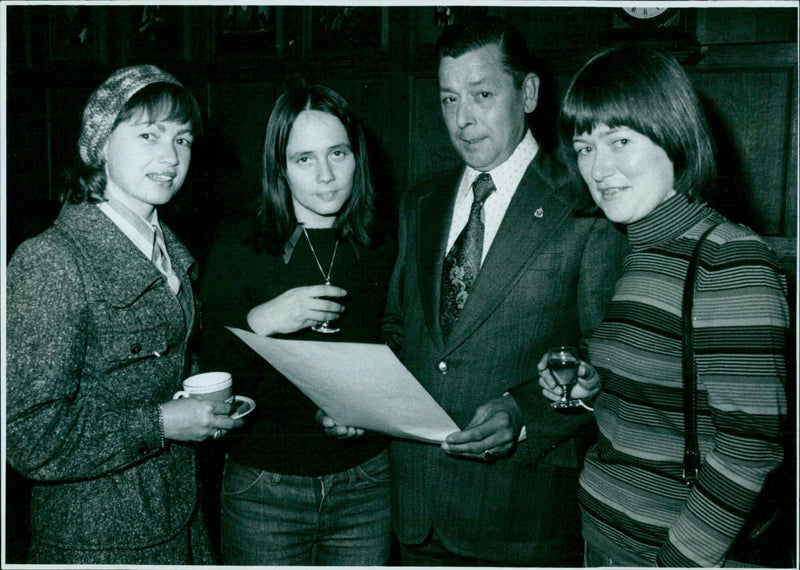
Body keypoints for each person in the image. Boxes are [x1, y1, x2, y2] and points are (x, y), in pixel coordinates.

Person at [382, 19, 627, 566]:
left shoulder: (586, 206)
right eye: (449, 99)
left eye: (483, 94)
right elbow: (399, 328)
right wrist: (360, 396)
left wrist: (524, 411)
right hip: (415, 511)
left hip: (522, 520)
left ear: (530, 93)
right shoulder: (420, 202)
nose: (463, 119)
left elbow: (608, 362)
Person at [537, 45, 790, 567]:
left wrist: (675, 562)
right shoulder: (643, 252)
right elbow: (664, 405)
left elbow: (751, 446)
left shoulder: (729, 259)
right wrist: (593, 386)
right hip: (605, 541)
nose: (597, 167)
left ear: (674, 136)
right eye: (585, 147)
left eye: (619, 140)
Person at [5, 64, 244, 565]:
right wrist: (161, 422)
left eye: (182, 140)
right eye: (147, 135)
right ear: (100, 147)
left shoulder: (171, 252)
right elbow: (25, 437)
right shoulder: (51, 259)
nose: (170, 156)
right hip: (97, 541)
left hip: (179, 521)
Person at [198, 84, 394, 566]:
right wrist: (259, 321)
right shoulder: (239, 245)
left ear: (357, 157)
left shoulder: (386, 242)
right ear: (279, 168)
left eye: (338, 153)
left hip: (364, 483)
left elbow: (402, 352)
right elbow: (207, 371)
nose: (326, 176)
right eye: (304, 159)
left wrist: (368, 409)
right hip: (264, 486)